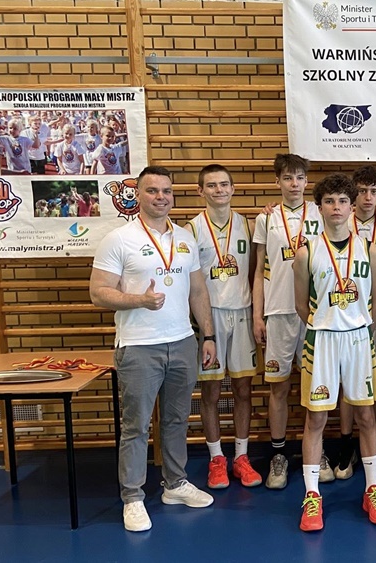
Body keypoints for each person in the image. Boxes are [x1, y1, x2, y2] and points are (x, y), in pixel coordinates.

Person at [89, 165, 216, 532]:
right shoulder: (119, 239)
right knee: (136, 426)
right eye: (152, 190)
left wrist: (207, 336)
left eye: (166, 191)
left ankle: (175, 484)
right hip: (139, 346)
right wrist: (138, 301)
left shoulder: (185, 238)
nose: (161, 197)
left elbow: (197, 291)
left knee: (177, 420)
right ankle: (132, 497)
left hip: (182, 341)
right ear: (138, 196)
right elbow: (98, 292)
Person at [292, 173, 376, 532]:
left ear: (352, 207)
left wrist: (356, 323)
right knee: (316, 419)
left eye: (343, 201)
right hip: (322, 339)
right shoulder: (306, 252)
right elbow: (301, 304)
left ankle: (372, 490)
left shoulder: (370, 249)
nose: (337, 207)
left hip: (358, 339)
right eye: (329, 201)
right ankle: (312, 496)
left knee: (366, 417)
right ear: (319, 207)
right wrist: (327, 323)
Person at [185, 164, 263, 490]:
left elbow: (256, 272)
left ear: (233, 188)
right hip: (211, 316)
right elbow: (190, 284)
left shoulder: (249, 224)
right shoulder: (190, 230)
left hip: (242, 312)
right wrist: (203, 328)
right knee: (212, 392)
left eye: (224, 184)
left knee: (244, 389)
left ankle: (241, 457)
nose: (219, 190)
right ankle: (217, 459)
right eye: (212, 185)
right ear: (200, 191)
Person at [252, 153, 324, 489]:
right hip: (279, 311)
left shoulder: (321, 212)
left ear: (307, 182)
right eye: (288, 178)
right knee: (278, 387)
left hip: (314, 313)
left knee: (316, 387)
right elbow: (258, 272)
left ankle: (317, 452)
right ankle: (278, 454)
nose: (294, 184)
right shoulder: (265, 218)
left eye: (300, 178)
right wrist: (258, 315)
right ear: (277, 181)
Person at [333, 165, 376, 480]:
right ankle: (346, 444)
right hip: (346, 315)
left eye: (374, 192)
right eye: (362, 191)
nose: (368, 197)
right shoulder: (342, 220)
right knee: (348, 382)